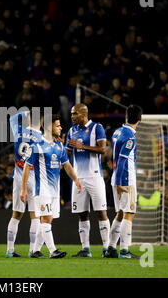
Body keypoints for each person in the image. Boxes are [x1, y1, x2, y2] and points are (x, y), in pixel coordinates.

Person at [21, 114, 82, 259]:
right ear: (49, 127)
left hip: (55, 190)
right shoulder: (36, 146)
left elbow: (66, 165)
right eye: (58, 125)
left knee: (48, 220)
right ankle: (53, 250)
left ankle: (35, 250)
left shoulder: (59, 146)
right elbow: (26, 167)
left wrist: (76, 180)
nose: (61, 128)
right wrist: (24, 189)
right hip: (42, 189)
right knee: (46, 218)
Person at [66, 104, 110, 258]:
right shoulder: (71, 131)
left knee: (101, 212)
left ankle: (106, 248)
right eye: (71, 114)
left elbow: (103, 149)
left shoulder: (97, 128)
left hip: (94, 176)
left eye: (74, 114)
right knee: (82, 214)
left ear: (84, 114)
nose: (72, 117)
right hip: (78, 178)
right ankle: (86, 249)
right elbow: (68, 153)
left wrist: (82, 146)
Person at [105, 105, 143, 259]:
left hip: (116, 177)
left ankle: (111, 248)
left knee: (120, 213)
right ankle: (125, 250)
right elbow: (122, 159)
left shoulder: (117, 131)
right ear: (140, 119)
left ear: (126, 116)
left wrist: (117, 180)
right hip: (125, 178)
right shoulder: (130, 137)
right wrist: (121, 182)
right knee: (129, 213)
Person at [5, 109, 44, 258]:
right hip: (34, 179)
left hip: (19, 178)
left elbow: (12, 119)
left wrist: (25, 112)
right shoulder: (41, 137)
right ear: (40, 122)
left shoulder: (19, 131)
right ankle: (32, 250)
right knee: (35, 216)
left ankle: (10, 250)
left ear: (28, 120)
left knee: (16, 215)